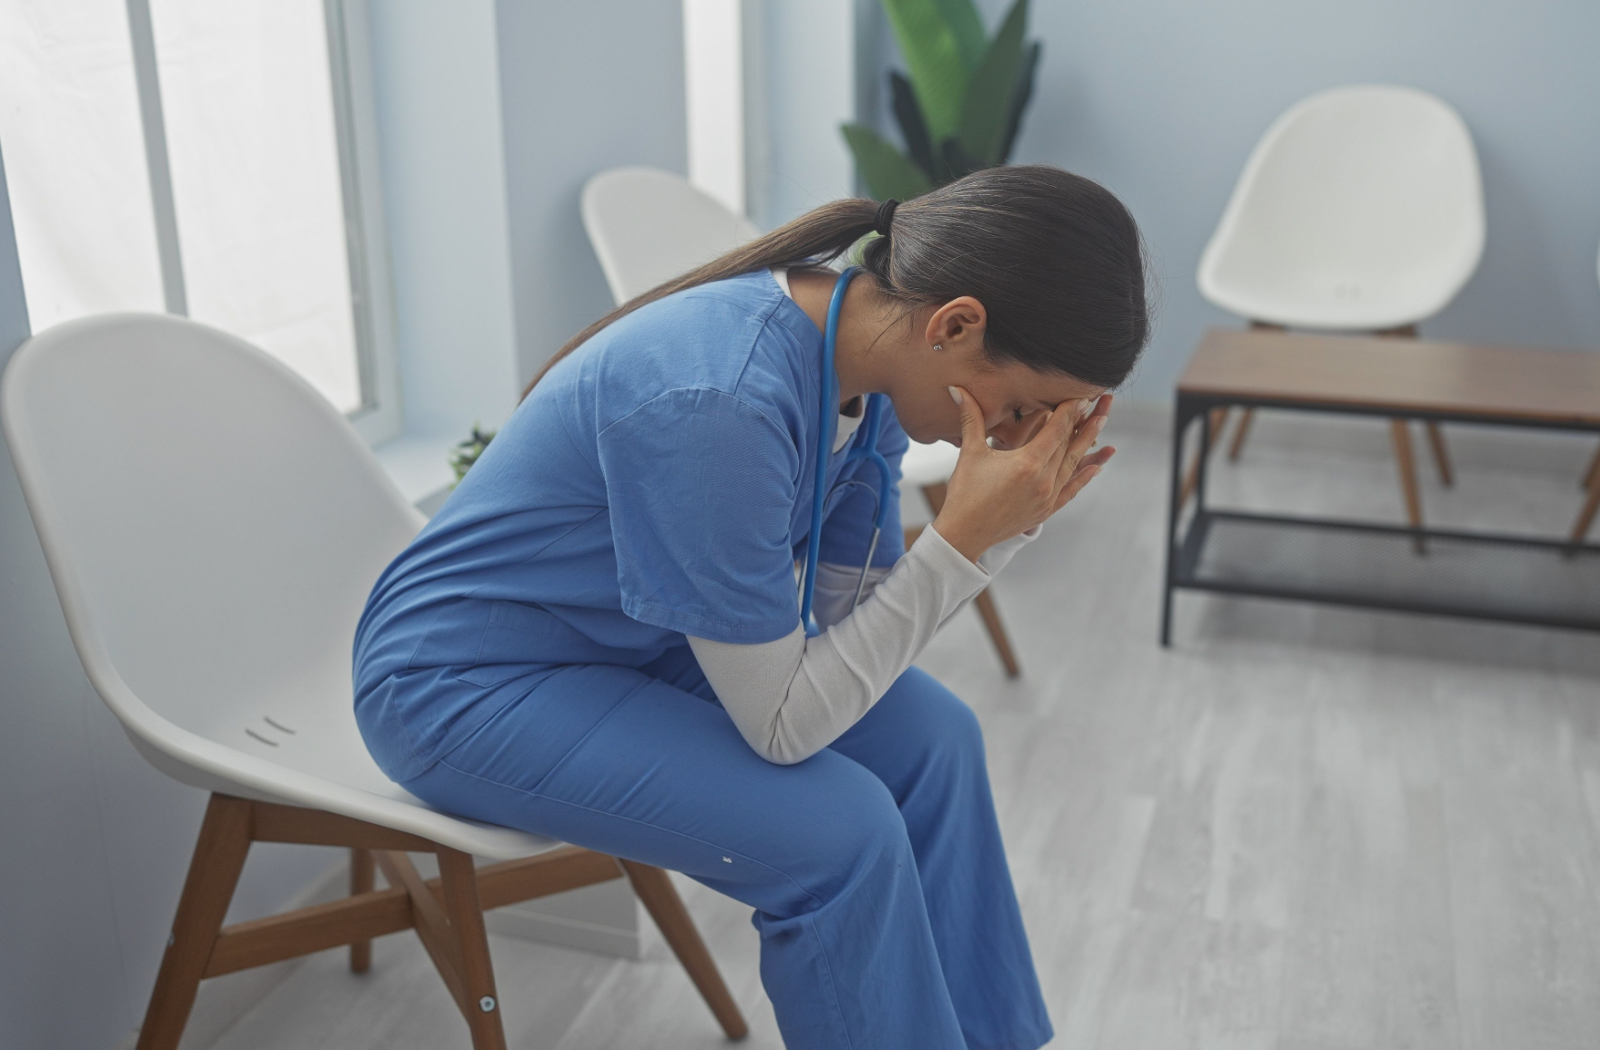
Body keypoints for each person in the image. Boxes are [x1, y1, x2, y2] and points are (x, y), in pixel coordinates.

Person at [353, 164, 1150, 1050]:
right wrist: (966, 544)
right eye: (1024, 410)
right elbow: (786, 727)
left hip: (631, 639)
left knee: (935, 741)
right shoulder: (719, 404)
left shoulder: (877, 388)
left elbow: (854, 630)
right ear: (954, 325)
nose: (1012, 440)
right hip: (461, 682)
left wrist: (991, 531)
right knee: (839, 840)